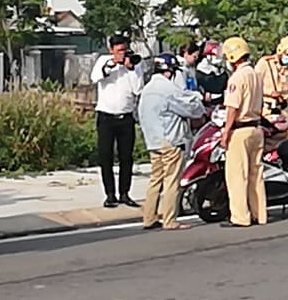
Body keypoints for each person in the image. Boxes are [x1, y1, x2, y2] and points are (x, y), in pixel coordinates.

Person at [136, 53, 207, 231]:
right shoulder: (168, 89)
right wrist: (199, 101)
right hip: (171, 141)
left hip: (153, 141)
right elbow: (192, 110)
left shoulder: (147, 89)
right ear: (169, 71)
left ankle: (149, 217)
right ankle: (169, 219)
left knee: (155, 180)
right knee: (171, 181)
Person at [219, 36, 267, 227]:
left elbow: (232, 107)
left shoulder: (237, 78)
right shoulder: (255, 74)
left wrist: (226, 131)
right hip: (256, 128)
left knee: (237, 176)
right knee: (256, 175)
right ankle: (259, 214)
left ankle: (240, 217)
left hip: (240, 130)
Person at [91, 34, 142, 209]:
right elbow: (95, 77)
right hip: (106, 117)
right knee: (105, 156)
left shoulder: (134, 64)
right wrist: (112, 64)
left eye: (124, 50)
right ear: (111, 50)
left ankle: (125, 193)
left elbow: (138, 89)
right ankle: (110, 194)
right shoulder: (103, 60)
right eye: (119, 50)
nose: (122, 53)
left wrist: (131, 69)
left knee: (126, 157)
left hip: (126, 117)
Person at [258, 35, 288, 124]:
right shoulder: (265, 63)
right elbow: (253, 86)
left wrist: (283, 95)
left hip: (282, 110)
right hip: (265, 110)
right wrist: (269, 94)